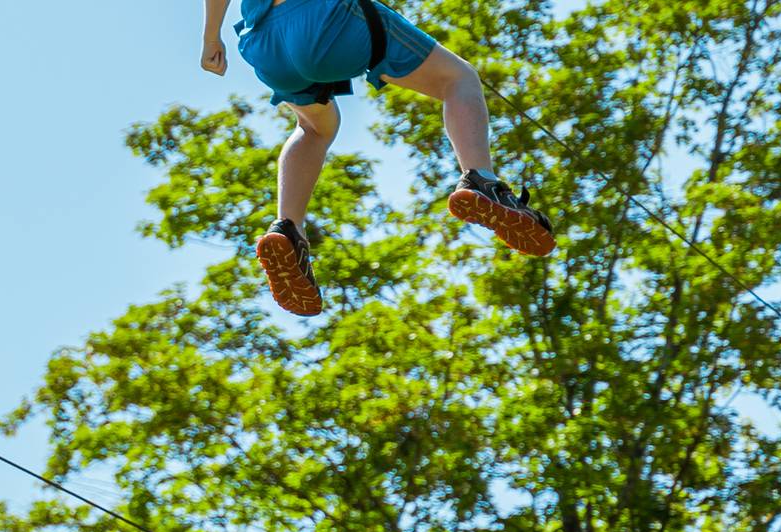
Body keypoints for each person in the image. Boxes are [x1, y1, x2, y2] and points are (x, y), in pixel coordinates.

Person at [201, 0, 556, 315]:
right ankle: (482, 181)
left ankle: (288, 230)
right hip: (325, 18)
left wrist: (211, 39)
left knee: (315, 128)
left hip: (264, 44)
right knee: (457, 79)